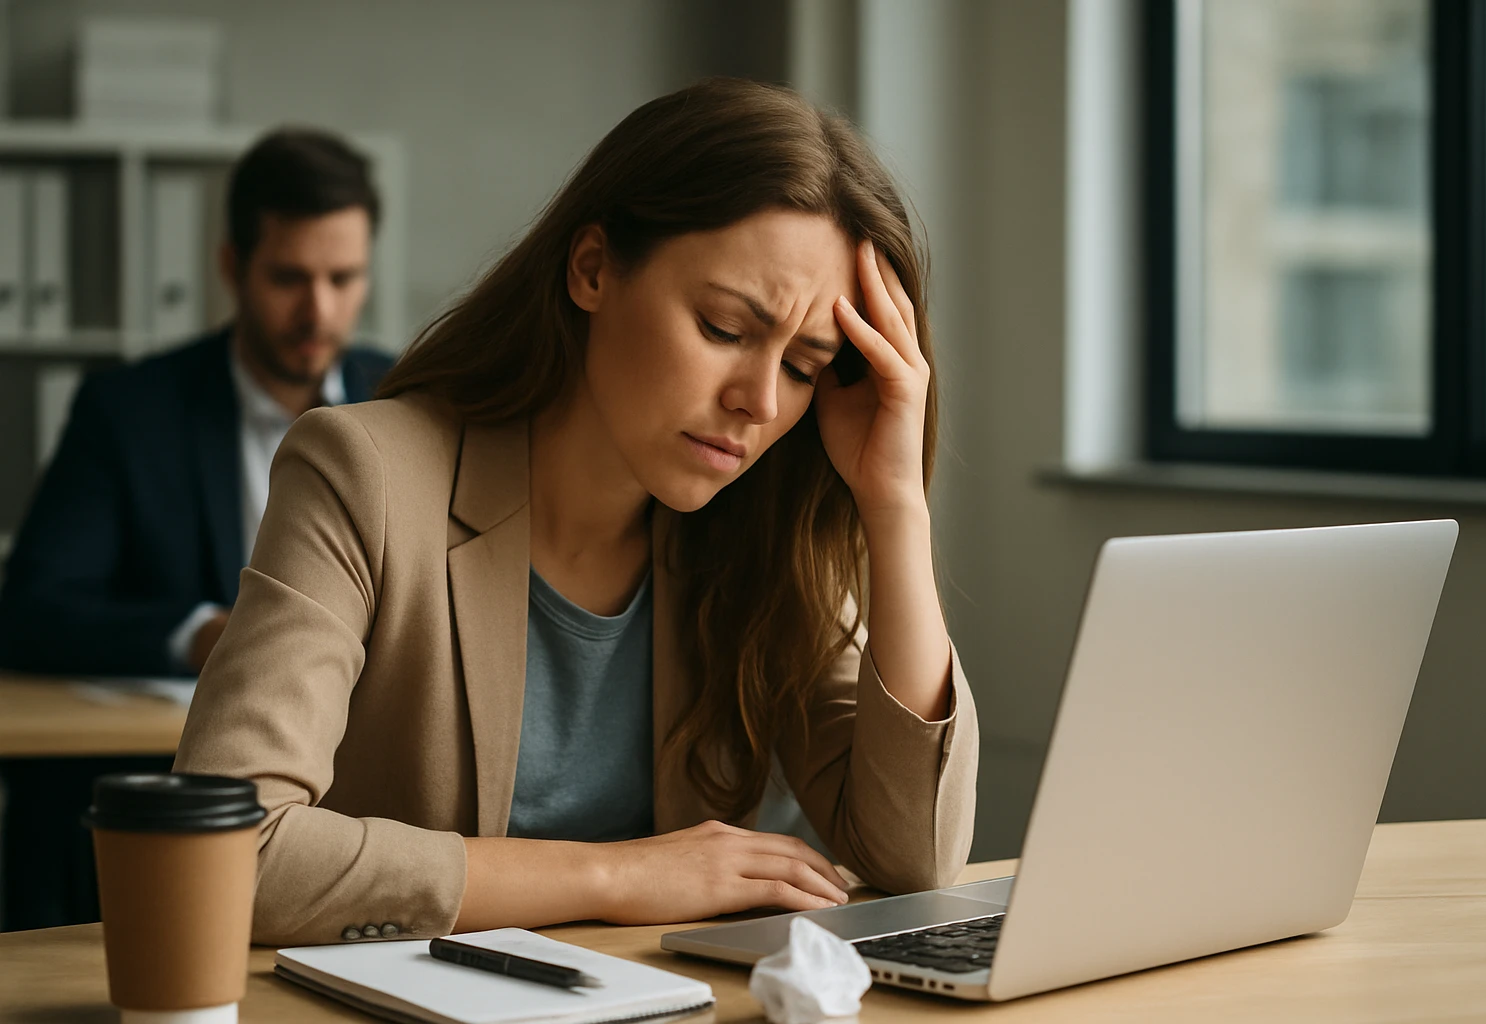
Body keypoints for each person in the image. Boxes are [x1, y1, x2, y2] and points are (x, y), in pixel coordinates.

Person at [174, 78, 979, 946]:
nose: (759, 400)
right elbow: (225, 854)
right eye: (723, 328)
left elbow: (914, 858)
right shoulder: (363, 473)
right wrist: (617, 874)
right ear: (592, 268)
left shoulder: (762, 530)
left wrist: (895, 503)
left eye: (803, 367)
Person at [0, 127, 394, 931]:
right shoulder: (127, 412)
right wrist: (199, 634)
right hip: (173, 793)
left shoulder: (407, 399)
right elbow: (31, 609)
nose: (319, 311)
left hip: (366, 790)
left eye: (343, 278)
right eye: (289, 277)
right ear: (230, 266)